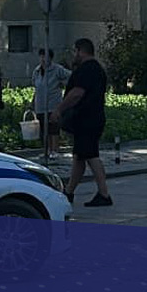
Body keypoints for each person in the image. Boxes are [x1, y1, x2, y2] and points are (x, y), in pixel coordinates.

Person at [50, 38, 112, 207]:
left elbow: (77, 93)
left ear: (80, 51)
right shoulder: (97, 69)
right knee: (80, 156)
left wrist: (59, 109)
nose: (73, 55)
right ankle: (69, 192)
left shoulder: (86, 70)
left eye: (74, 51)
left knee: (91, 156)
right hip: (92, 118)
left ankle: (104, 193)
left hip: (87, 119)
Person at [33, 48, 70, 158]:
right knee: (45, 129)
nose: (43, 59)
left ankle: (55, 150)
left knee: (54, 128)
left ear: (51, 58)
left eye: (46, 56)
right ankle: (48, 150)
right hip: (40, 104)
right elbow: (36, 87)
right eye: (41, 56)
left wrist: (64, 84)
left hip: (53, 103)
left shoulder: (57, 69)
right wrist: (32, 102)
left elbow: (70, 76)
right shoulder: (37, 71)